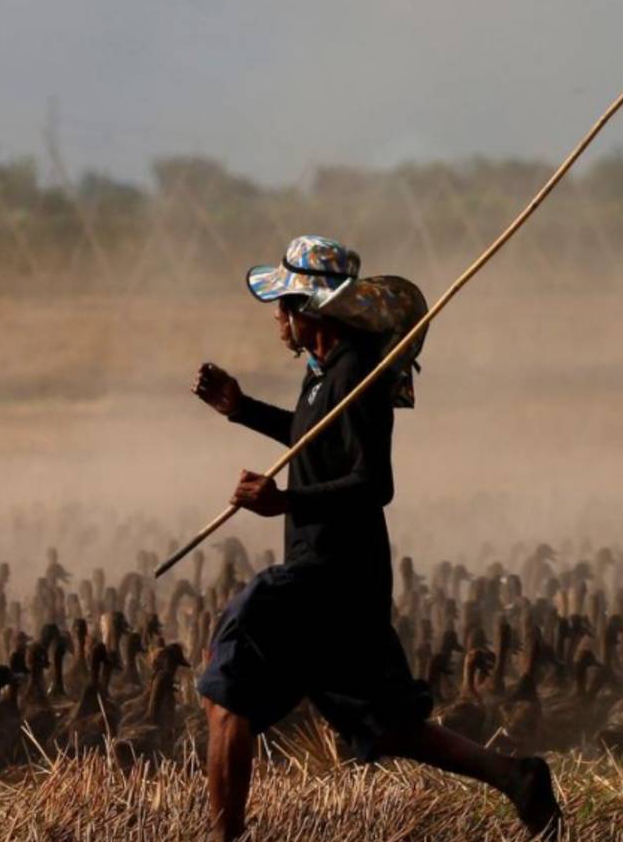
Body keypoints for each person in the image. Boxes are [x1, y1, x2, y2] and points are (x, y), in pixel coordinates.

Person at [189, 235, 562, 840]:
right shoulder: (324, 374)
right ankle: (518, 778)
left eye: (284, 304)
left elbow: (372, 482)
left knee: (227, 682)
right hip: (346, 580)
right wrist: (241, 409)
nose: (277, 318)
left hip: (326, 574)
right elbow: (314, 441)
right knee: (390, 726)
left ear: (313, 309)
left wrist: (284, 501)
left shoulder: (358, 372)